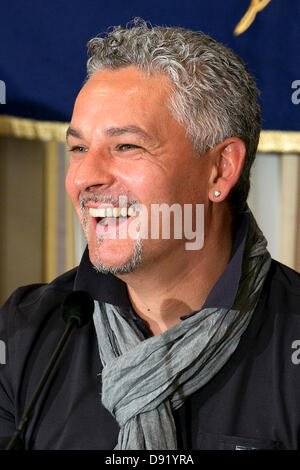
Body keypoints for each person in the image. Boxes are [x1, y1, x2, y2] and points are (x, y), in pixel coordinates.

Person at [0, 19, 299, 451]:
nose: (85, 177)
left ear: (221, 169)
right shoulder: (24, 333)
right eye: (78, 148)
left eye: (126, 147)